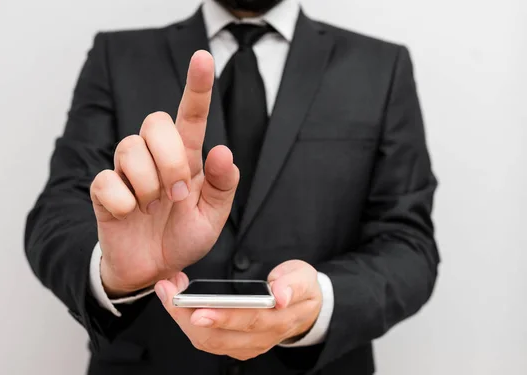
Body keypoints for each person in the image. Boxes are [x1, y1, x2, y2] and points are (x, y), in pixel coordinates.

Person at [25, 0, 439, 374]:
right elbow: (58, 213)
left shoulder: (381, 66)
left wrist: (320, 304)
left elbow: (408, 242)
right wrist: (113, 272)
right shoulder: (116, 57)